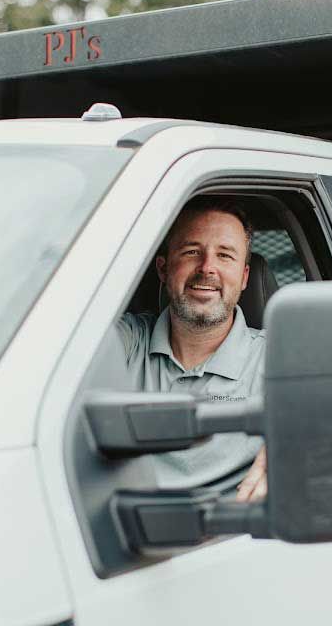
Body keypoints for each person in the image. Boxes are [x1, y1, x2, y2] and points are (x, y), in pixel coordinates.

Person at [118, 198, 268, 501]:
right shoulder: (125, 341)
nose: (207, 268)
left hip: (235, 525)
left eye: (224, 255)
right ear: (163, 269)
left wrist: (294, 445)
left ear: (244, 277)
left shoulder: (280, 357)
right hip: (119, 524)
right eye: (191, 252)